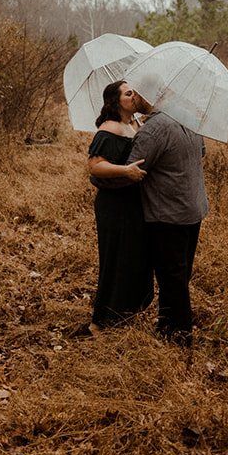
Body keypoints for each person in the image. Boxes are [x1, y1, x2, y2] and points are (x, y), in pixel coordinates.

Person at [128, 86, 208, 346]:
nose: (133, 98)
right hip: (192, 207)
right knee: (180, 273)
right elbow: (202, 151)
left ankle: (180, 337)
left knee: (171, 276)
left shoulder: (154, 127)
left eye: (135, 93)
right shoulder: (186, 116)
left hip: (168, 213)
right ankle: (167, 325)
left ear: (146, 94)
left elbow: (136, 165)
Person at [81, 80, 154, 332]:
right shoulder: (109, 128)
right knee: (115, 259)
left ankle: (124, 313)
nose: (133, 95)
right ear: (116, 101)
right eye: (127, 93)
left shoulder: (134, 123)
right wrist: (125, 171)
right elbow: (95, 165)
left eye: (133, 91)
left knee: (134, 257)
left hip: (133, 202)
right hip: (114, 204)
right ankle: (99, 323)